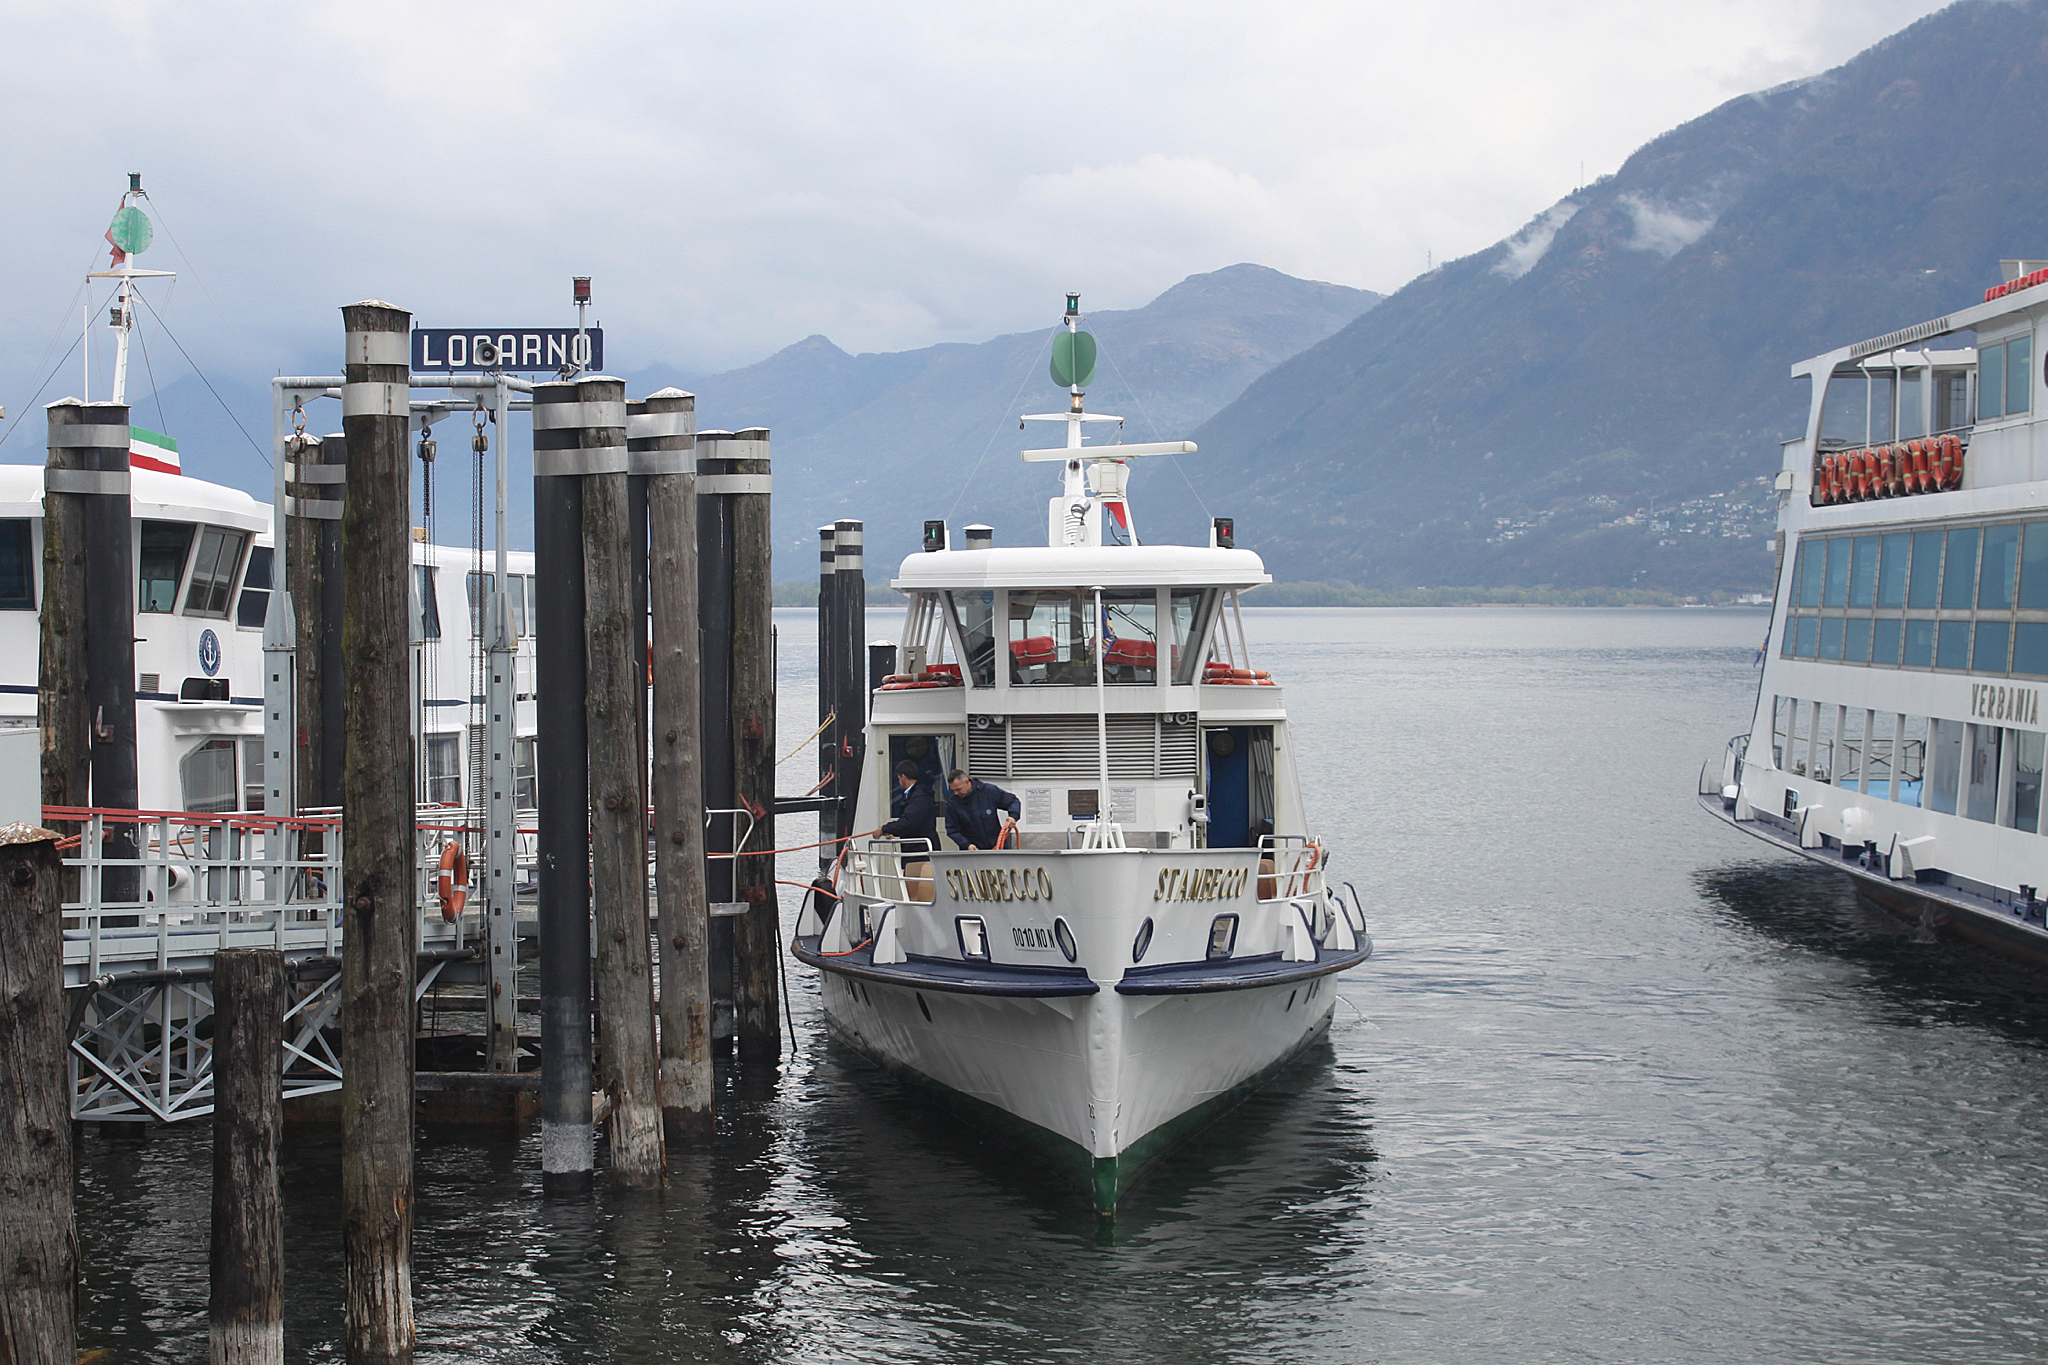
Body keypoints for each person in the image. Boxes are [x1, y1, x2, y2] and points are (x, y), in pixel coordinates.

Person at [881, 759, 937, 902]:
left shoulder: (919, 797)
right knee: (913, 887)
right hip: (915, 850)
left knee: (921, 891)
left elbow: (910, 822)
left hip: (920, 852)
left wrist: (884, 829)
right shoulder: (918, 794)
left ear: (903, 777)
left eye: (899, 777)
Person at [946, 768, 1021, 850]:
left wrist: (1013, 816)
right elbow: (952, 829)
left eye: (958, 789)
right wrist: (966, 845)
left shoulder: (989, 791)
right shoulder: (953, 803)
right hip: (972, 851)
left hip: (997, 848)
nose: (956, 793)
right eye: (954, 790)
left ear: (967, 782)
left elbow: (1013, 801)